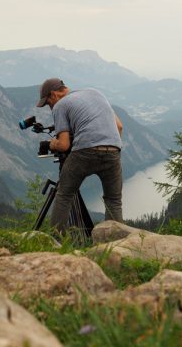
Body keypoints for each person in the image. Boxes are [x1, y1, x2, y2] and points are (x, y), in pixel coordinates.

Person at [36, 77, 124, 232]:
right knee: (113, 201)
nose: (50, 107)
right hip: (113, 150)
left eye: (48, 103)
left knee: (64, 194)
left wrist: (50, 144)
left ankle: (57, 240)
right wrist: (108, 146)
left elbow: (63, 145)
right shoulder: (95, 93)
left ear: (53, 95)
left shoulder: (60, 106)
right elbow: (119, 126)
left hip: (85, 152)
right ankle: (116, 244)